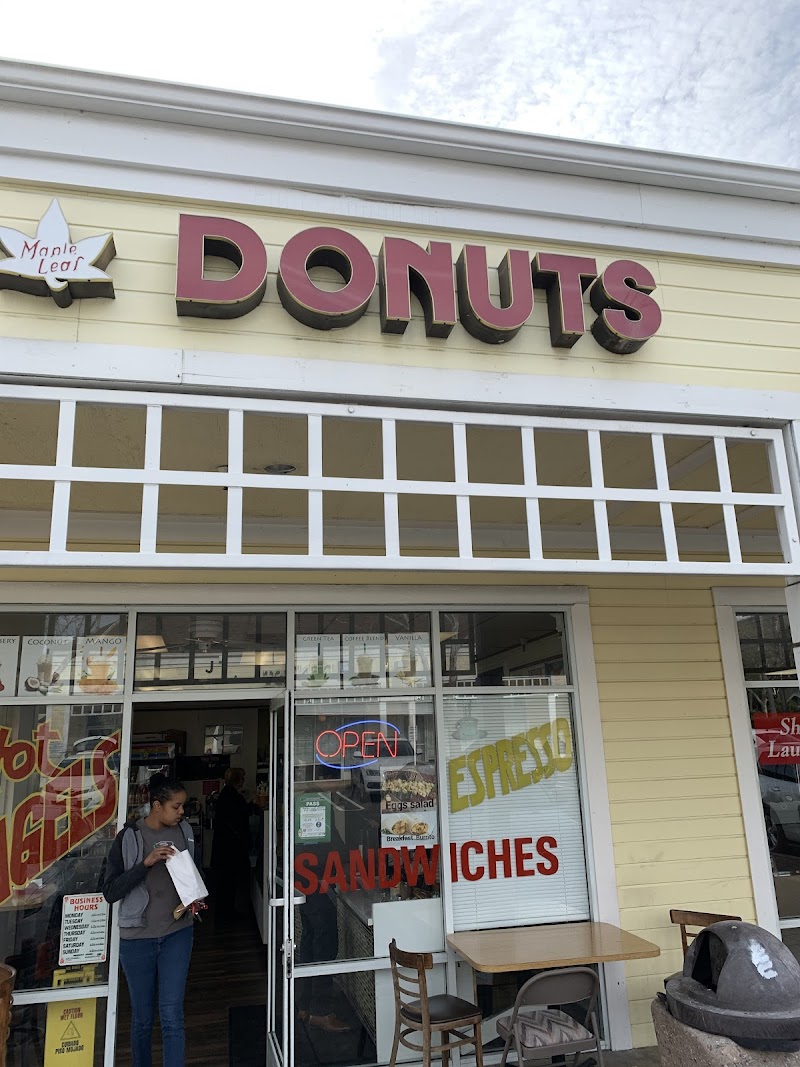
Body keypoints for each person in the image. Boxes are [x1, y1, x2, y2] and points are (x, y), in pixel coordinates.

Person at [103, 775, 198, 1067]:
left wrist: (194, 898)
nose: (182, 812)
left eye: (183, 806)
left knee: (172, 1015)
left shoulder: (185, 831)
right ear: (156, 806)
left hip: (178, 934)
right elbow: (110, 891)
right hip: (137, 939)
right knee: (142, 1018)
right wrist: (146, 863)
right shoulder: (129, 837)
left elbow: (194, 877)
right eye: (176, 806)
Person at [210, 766, 254, 925]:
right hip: (230, 848)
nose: (243, 781)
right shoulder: (232, 796)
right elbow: (239, 817)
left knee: (226, 882)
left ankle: (225, 913)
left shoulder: (226, 795)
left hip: (225, 847)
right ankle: (227, 913)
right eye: (242, 778)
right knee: (228, 881)